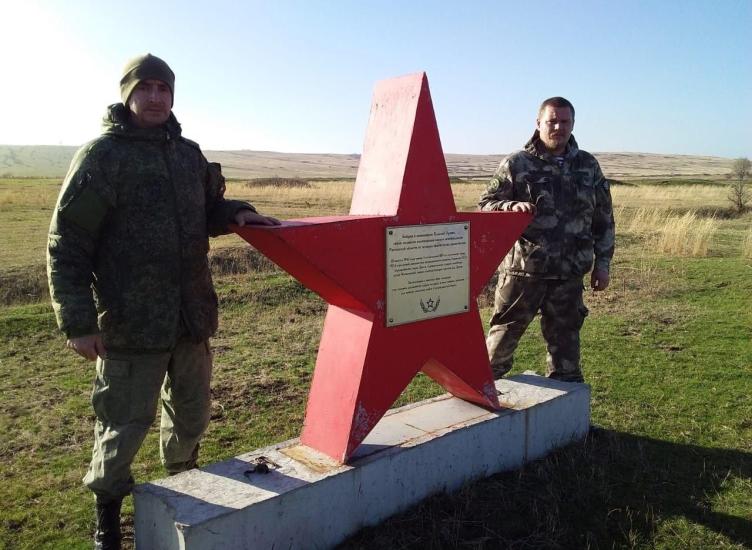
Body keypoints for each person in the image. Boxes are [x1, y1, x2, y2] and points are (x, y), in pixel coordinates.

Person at [47, 53, 279, 550]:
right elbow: (67, 244)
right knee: (123, 423)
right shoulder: (102, 157)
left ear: (173, 96)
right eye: (145, 88)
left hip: (191, 316)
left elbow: (207, 210)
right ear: (128, 94)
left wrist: (238, 213)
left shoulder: (187, 154)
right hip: (130, 323)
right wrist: (78, 322)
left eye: (163, 88)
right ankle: (107, 517)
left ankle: (183, 490)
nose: (155, 97)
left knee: (191, 414)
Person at [479, 97, 614, 383]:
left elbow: (603, 217)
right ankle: (479, 395)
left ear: (573, 124)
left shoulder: (588, 165)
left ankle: (565, 411)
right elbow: (486, 204)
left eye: (564, 122)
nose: (558, 127)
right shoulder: (517, 163)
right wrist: (509, 207)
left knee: (566, 344)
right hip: (523, 272)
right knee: (502, 339)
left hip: (569, 274)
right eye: (552, 121)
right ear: (538, 123)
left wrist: (603, 264)